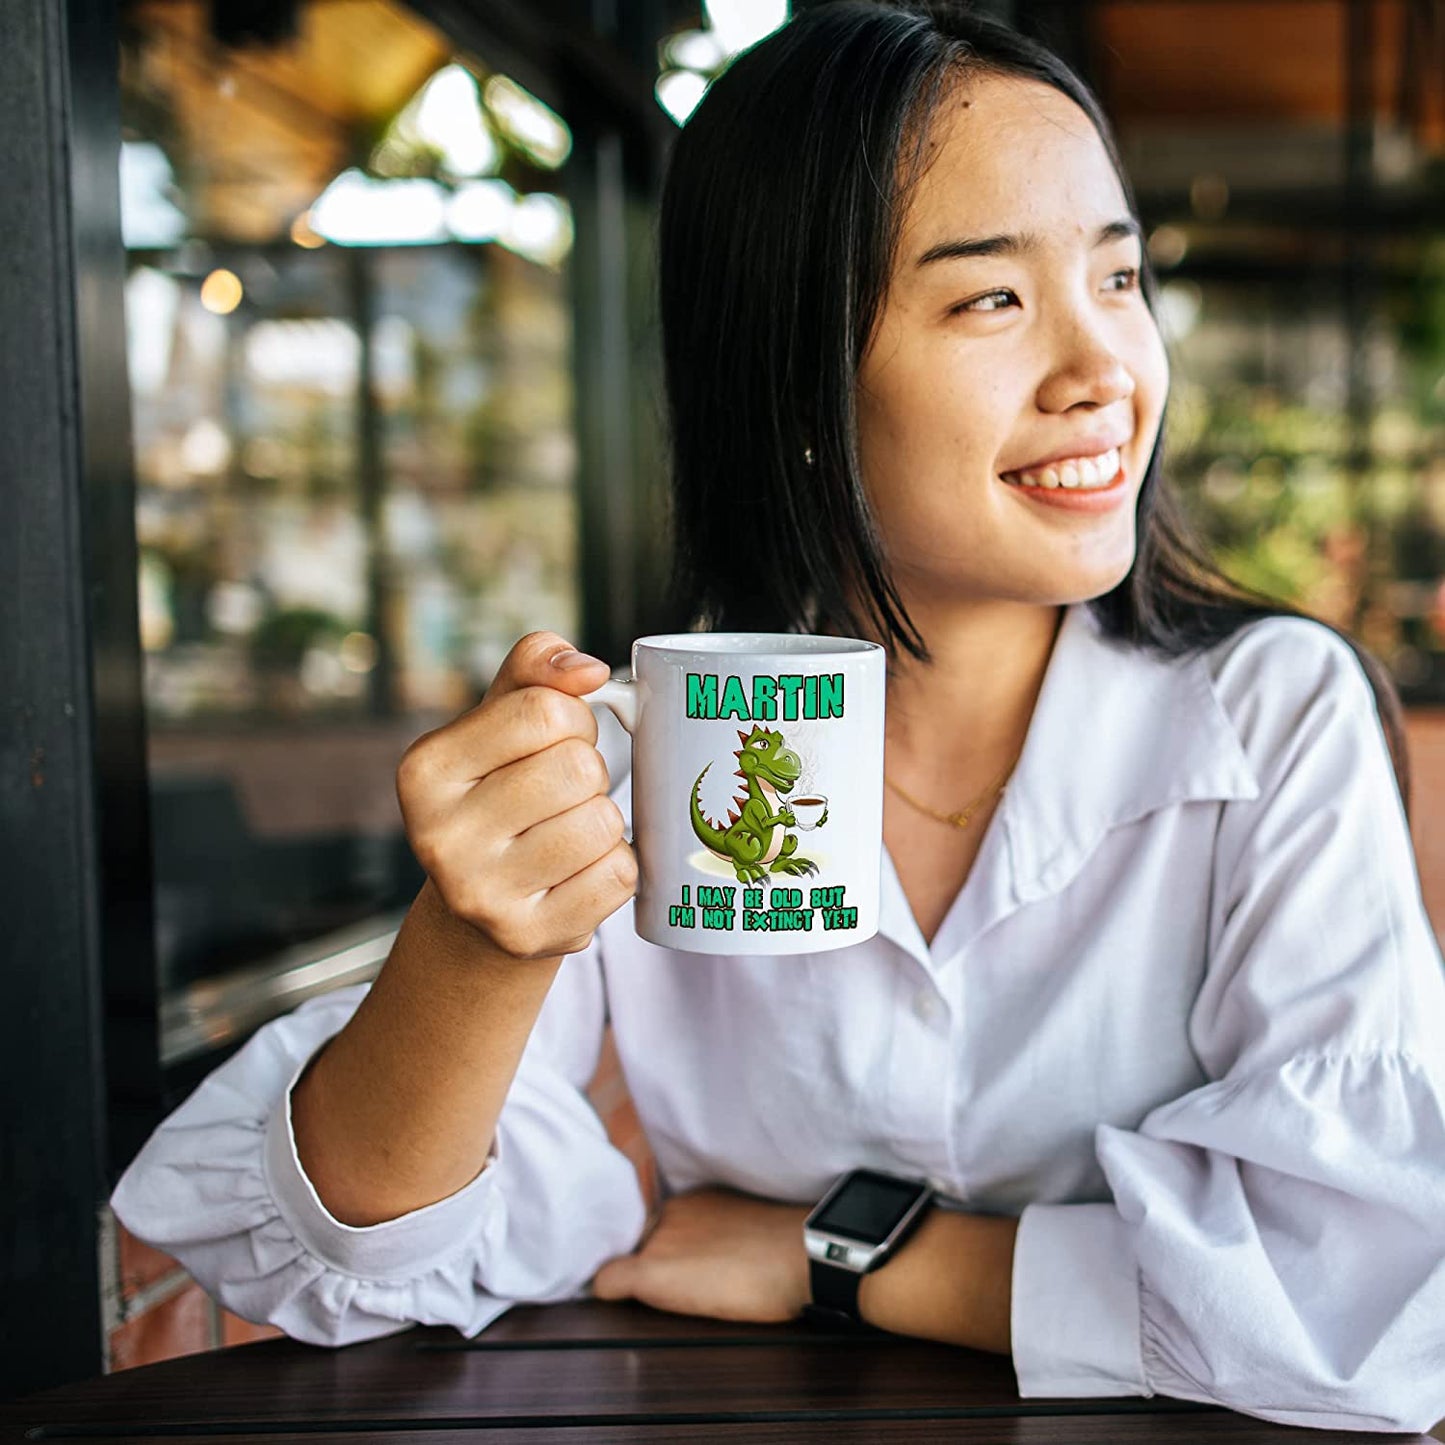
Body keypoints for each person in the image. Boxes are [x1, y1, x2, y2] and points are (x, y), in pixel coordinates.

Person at [110, 1, 1445, 1432]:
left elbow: (1369, 1288)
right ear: (798, 379)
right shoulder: (662, 738)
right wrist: (478, 940)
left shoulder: (1263, 717)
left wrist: (853, 1255)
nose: (1102, 369)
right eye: (990, 297)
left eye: (1117, 278)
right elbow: (337, 1261)